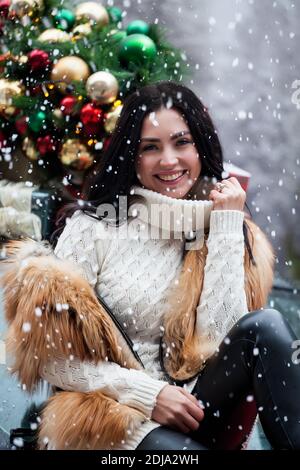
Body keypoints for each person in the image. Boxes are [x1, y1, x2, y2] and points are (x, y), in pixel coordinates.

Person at [2, 81, 300, 451]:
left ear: (201, 147)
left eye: (182, 142)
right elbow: (52, 360)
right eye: (150, 148)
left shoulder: (224, 226)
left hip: (202, 410)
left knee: (265, 325)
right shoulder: (93, 228)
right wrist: (149, 394)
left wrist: (224, 228)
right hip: (118, 419)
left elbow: (216, 341)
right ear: (131, 157)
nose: (169, 160)